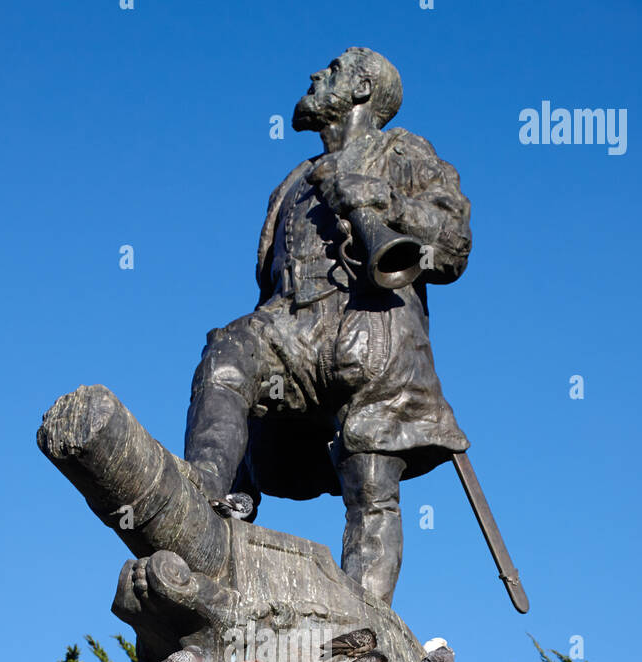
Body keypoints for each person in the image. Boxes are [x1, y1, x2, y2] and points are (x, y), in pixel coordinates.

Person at [184, 47, 471, 603]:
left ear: (363, 88)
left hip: (373, 328)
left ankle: (364, 622)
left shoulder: (405, 151)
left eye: (334, 70)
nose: (317, 74)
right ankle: (204, 503)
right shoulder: (292, 181)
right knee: (227, 353)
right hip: (292, 323)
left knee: (370, 482)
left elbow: (454, 246)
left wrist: (383, 200)